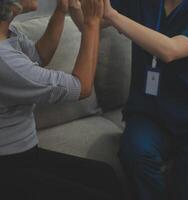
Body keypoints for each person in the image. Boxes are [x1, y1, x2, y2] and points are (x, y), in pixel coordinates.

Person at [70, 0, 188, 200]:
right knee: (135, 153)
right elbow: (87, 22)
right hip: (149, 114)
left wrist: (113, 15)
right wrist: (72, 6)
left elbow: (170, 50)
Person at [0, 0, 121, 199]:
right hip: (9, 165)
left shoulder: (7, 33)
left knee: (104, 175)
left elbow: (38, 56)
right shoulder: (4, 60)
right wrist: (91, 22)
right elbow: (81, 87)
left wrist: (61, 9)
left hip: (24, 153)